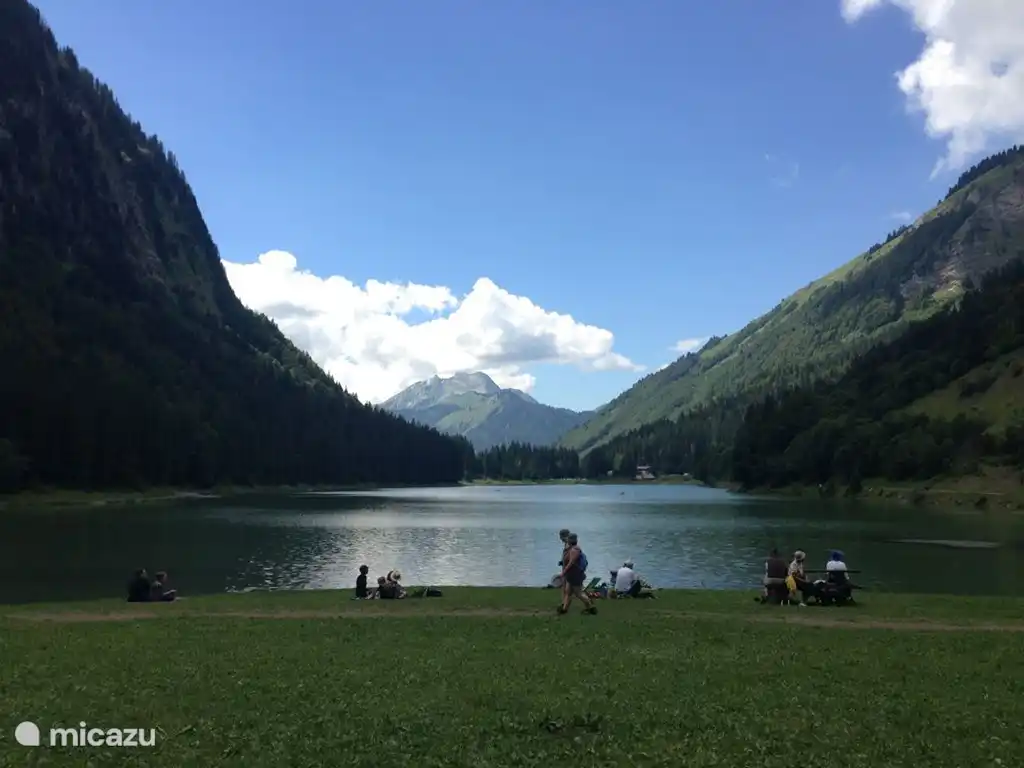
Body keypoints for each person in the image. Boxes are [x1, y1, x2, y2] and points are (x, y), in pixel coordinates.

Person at [558, 533, 597, 615]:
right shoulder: (572, 549)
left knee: (578, 593)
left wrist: (563, 572)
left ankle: (591, 607)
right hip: (571, 575)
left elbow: (571, 562)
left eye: (568, 539)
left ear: (570, 540)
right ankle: (564, 609)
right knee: (568, 592)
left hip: (575, 575)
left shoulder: (574, 550)